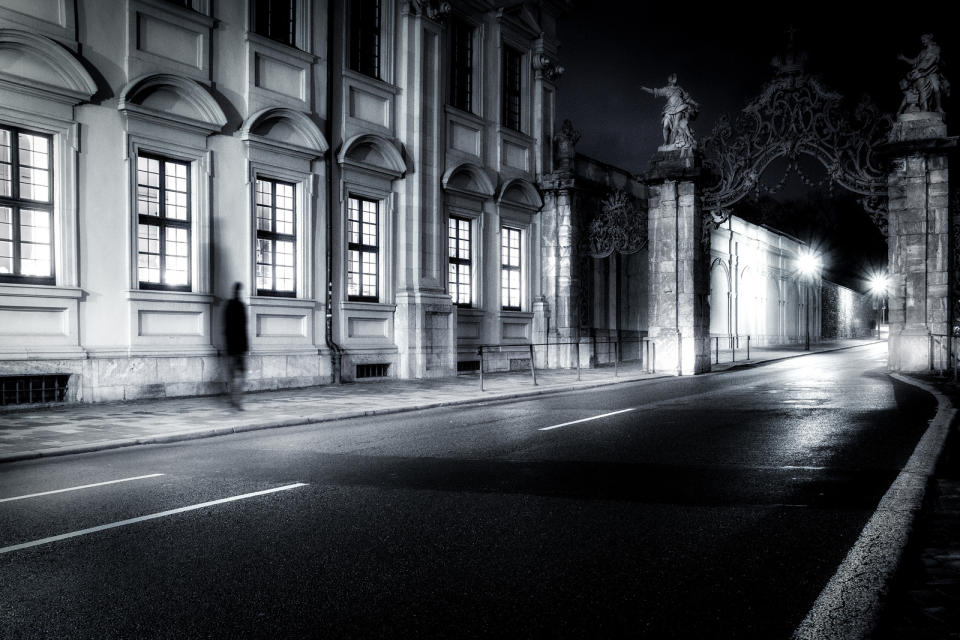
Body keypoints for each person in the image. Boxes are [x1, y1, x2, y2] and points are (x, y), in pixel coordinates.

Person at [641, 74, 700, 150]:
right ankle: (666, 143)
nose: (675, 80)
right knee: (665, 126)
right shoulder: (666, 89)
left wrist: (695, 103)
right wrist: (644, 88)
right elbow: (655, 91)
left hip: (680, 108)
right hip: (669, 109)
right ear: (670, 80)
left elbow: (687, 98)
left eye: (675, 79)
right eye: (673, 79)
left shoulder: (679, 88)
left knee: (675, 126)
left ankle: (672, 144)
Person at [898, 34, 949, 115]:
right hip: (920, 73)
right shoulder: (922, 52)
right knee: (913, 86)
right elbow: (914, 61)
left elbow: (933, 61)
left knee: (936, 88)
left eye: (924, 39)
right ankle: (916, 106)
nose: (922, 41)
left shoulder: (936, 48)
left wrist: (921, 69)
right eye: (922, 40)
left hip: (931, 72)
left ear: (929, 39)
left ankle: (939, 107)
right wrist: (904, 58)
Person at [224, 281, 248, 409]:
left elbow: (227, 328)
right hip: (238, 347)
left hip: (233, 347)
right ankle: (236, 401)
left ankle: (234, 400)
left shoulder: (230, 305)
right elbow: (243, 328)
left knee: (234, 375)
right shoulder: (240, 306)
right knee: (239, 375)